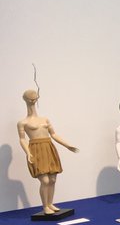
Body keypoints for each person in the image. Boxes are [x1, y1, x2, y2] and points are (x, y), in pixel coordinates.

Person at [17, 87, 78, 218]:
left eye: (34, 98)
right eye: (30, 98)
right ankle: (45, 206)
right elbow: (22, 139)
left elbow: (54, 134)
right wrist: (28, 152)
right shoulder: (22, 122)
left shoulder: (45, 119)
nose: (33, 100)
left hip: (48, 147)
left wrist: (67, 145)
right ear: (25, 100)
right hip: (36, 149)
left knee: (53, 179)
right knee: (44, 180)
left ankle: (50, 204)